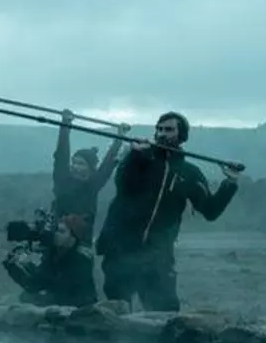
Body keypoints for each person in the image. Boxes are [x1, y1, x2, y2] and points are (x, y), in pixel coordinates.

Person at [95, 111, 240, 312]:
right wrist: (135, 156)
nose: (162, 133)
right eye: (159, 129)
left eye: (169, 129)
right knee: (117, 311)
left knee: (165, 312)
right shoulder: (140, 160)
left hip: (158, 256)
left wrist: (230, 182)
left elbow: (210, 210)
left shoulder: (190, 173)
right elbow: (123, 184)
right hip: (121, 250)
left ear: (182, 136)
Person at [52, 109, 129, 244]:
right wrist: (65, 124)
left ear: (90, 168)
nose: (75, 166)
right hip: (57, 237)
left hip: (81, 242)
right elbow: (62, 154)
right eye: (74, 162)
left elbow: (107, 165)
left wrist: (120, 137)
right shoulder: (62, 179)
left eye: (81, 164)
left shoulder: (92, 185)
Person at [3, 214, 98, 308]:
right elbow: (34, 285)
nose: (56, 234)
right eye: (56, 230)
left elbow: (63, 291)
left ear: (73, 238)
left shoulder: (82, 259)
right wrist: (12, 266)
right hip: (59, 306)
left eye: (61, 231)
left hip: (79, 309)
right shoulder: (54, 253)